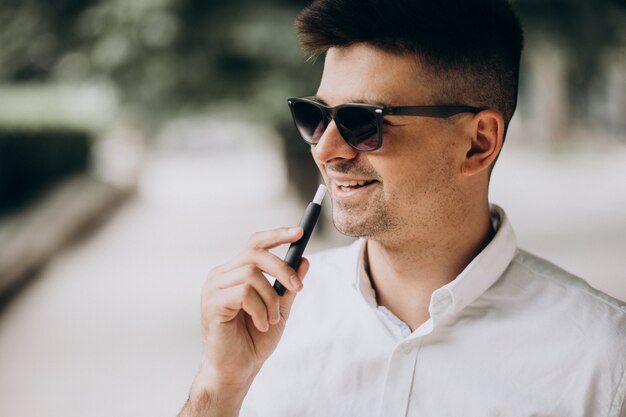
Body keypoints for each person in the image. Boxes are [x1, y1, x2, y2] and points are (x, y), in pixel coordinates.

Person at [178, 0, 626, 416]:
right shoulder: (272, 321)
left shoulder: (602, 362)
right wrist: (218, 387)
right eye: (315, 116)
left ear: (478, 143)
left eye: (362, 122)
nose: (326, 148)